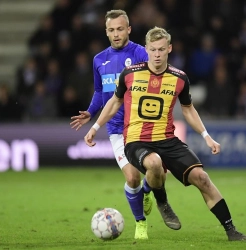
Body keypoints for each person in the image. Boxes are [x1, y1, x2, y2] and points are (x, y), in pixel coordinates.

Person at [84, 26, 246, 241]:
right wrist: (95, 128)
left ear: (169, 49)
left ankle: (231, 230)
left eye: (161, 49)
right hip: (136, 140)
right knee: (153, 163)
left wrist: (206, 136)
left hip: (168, 140)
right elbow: (114, 102)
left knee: (202, 178)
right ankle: (162, 201)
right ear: (146, 49)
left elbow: (188, 109)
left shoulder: (179, 78)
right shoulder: (130, 74)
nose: (156, 54)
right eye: (152, 49)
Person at [70, 10, 180, 240]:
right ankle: (141, 223)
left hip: (143, 126)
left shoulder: (142, 53)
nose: (116, 34)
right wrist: (90, 113)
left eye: (120, 29)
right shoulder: (99, 59)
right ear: (106, 32)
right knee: (132, 179)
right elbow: (101, 92)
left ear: (129, 29)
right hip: (117, 129)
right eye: (111, 30)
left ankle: (148, 192)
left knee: (157, 172)